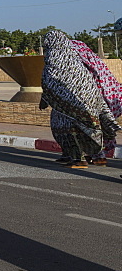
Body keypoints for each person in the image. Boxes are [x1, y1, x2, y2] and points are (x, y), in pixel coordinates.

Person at [39, 30, 118, 169]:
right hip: (90, 101)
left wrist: (45, 99)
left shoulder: (55, 59)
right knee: (91, 129)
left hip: (70, 105)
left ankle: (78, 159)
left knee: (69, 130)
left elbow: (51, 82)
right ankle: (98, 157)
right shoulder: (75, 58)